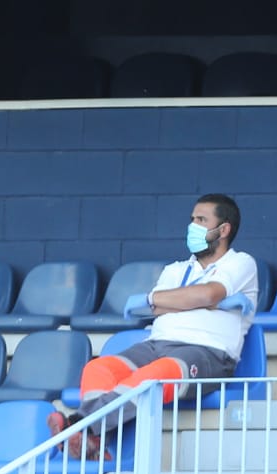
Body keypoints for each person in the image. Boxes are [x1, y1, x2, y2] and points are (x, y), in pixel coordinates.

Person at [49, 194, 259, 459]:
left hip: (209, 352)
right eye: (192, 219)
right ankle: (94, 440)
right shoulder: (175, 269)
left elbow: (207, 294)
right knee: (99, 368)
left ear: (224, 229)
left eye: (202, 220)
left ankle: (79, 424)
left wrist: (192, 299)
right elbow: (157, 306)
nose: (192, 226)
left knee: (155, 375)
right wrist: (204, 302)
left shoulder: (241, 263)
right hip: (156, 344)